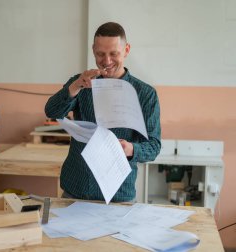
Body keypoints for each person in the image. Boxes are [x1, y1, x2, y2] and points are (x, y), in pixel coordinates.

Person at [44, 22, 161, 202]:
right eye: (100, 54)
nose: (106, 61)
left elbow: (153, 146)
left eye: (114, 53)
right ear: (93, 50)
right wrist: (75, 86)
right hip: (75, 189)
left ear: (126, 50)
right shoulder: (81, 82)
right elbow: (52, 111)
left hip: (119, 195)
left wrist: (130, 148)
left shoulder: (145, 94)